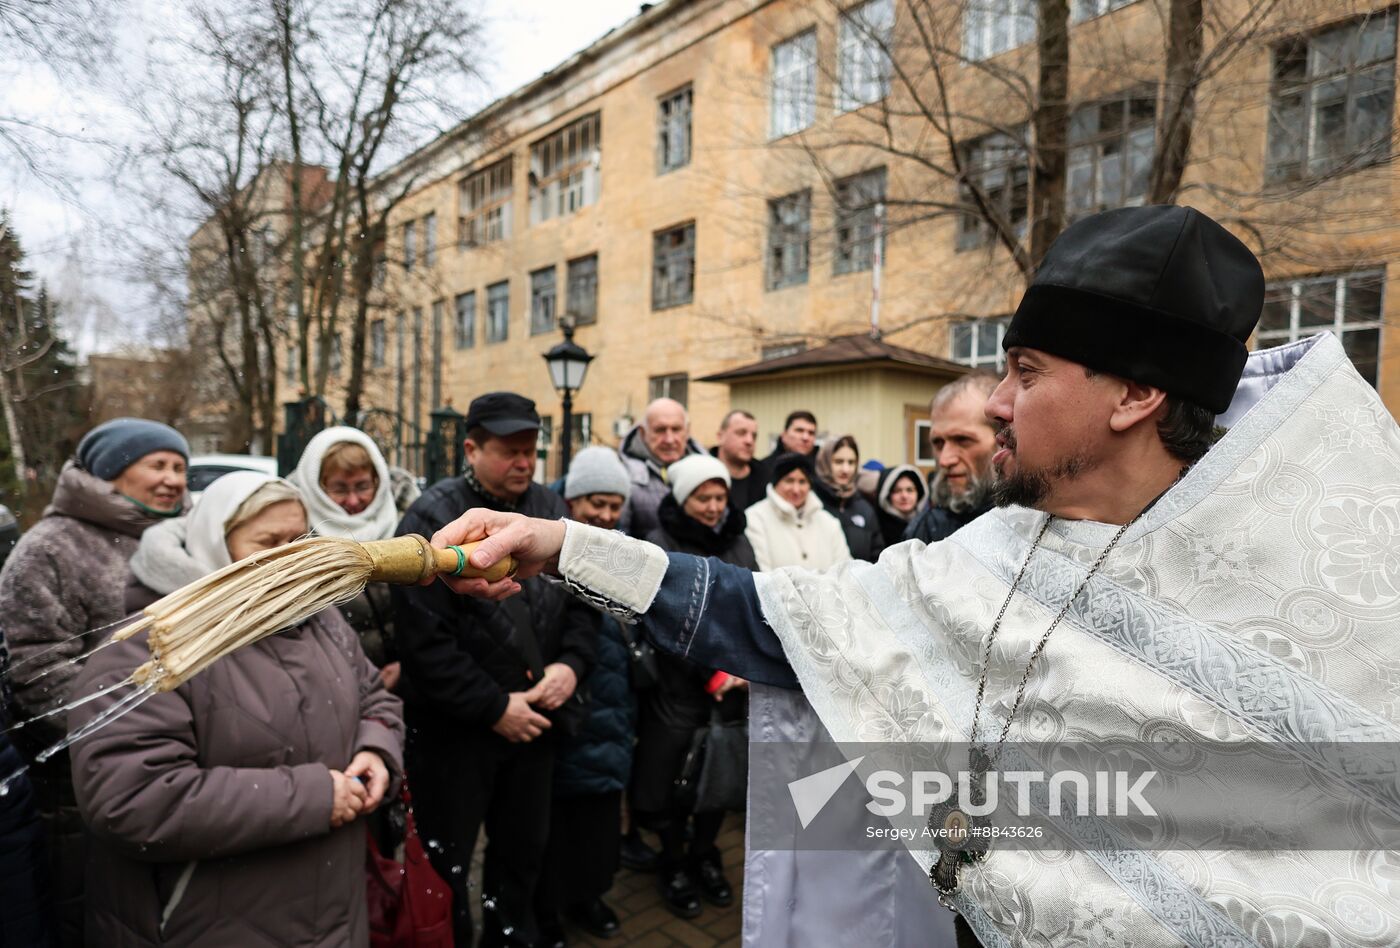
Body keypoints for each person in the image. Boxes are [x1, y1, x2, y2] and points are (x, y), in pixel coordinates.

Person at [425, 206, 1395, 947]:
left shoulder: (1333, 585)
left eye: (1023, 370)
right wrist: (561, 546)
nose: (999, 403)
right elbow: (777, 619)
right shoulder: (989, 555)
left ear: (1137, 394)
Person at [67, 471, 403, 946]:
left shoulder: (321, 621)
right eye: (268, 543)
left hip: (333, 915)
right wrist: (313, 798)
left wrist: (376, 748)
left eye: (299, 540)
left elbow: (375, 697)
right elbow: (131, 799)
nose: (289, 560)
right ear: (216, 546)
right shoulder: (154, 648)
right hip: (207, 922)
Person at [391, 391, 598, 948]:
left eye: (531, 450)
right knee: (447, 863)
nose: (525, 462)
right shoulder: (431, 519)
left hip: (537, 726)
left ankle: (512, 938)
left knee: (522, 854)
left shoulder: (554, 510)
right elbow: (422, 641)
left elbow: (585, 604)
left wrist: (571, 666)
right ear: (471, 448)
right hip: (456, 737)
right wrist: (494, 707)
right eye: (510, 450)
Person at [0, 416, 188, 948]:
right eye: (157, 464)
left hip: (184, 774)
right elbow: (34, 669)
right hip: (81, 785)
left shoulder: (189, 538)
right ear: (110, 472)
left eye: (180, 466)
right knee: (92, 918)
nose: (173, 479)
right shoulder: (51, 549)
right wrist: (134, 728)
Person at [638, 454, 755, 920]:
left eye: (719, 496)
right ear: (682, 498)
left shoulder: (738, 539)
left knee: (719, 777)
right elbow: (654, 617)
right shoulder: (658, 542)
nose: (712, 507)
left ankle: (706, 854)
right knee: (670, 783)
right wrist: (711, 673)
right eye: (702, 497)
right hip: (677, 689)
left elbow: (756, 600)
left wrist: (745, 665)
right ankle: (673, 861)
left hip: (733, 687)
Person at [535, 447, 635, 946]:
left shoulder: (622, 549)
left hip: (611, 708)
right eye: (597, 502)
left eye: (615, 505)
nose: (606, 515)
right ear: (573, 498)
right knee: (558, 821)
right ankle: (550, 909)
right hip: (566, 702)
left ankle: (589, 895)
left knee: (598, 819)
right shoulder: (543, 549)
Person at [289, 426, 403, 689]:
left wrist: (409, 662)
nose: (353, 500)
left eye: (362, 486)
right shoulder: (297, 537)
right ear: (317, 488)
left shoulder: (406, 521)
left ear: (378, 481)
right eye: (339, 489)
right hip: (337, 685)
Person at [905, 372, 1000, 544]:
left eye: (962, 440)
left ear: (1003, 438)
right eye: (938, 443)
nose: (944, 460)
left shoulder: (1034, 522)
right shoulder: (923, 531)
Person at [617, 397, 704, 538]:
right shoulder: (623, 474)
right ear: (642, 433)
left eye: (676, 429)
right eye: (660, 430)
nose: (669, 439)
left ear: (687, 431)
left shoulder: (708, 471)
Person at [811, 434, 883, 561]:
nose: (846, 469)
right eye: (838, 462)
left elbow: (877, 556)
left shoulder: (864, 508)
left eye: (851, 462)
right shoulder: (811, 503)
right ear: (825, 462)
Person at [711, 409, 765, 510]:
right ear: (720, 437)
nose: (749, 441)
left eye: (754, 436)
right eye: (741, 433)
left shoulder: (767, 478)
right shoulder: (702, 474)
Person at [873, 463, 927, 549]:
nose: (904, 496)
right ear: (887, 495)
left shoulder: (928, 524)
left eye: (910, 490)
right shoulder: (876, 524)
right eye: (897, 491)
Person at [755, 410, 817, 484]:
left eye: (811, 433)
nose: (806, 437)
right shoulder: (762, 469)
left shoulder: (822, 470)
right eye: (799, 430)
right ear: (784, 435)